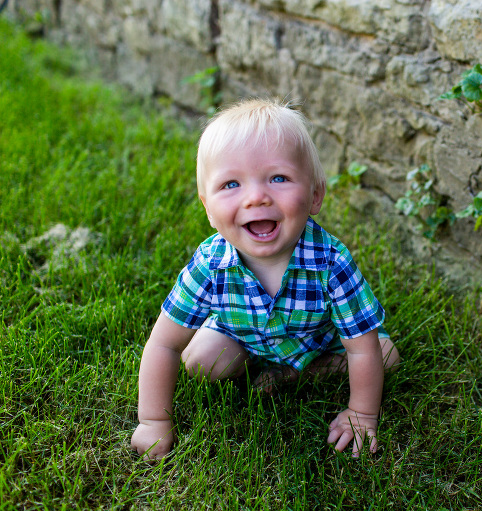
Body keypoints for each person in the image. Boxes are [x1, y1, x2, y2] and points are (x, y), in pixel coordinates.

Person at [130, 98, 399, 460]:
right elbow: (163, 344)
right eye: (230, 184)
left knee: (386, 355)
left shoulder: (330, 262)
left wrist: (362, 414)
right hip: (242, 336)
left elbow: (360, 346)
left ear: (315, 195)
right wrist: (152, 421)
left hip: (317, 342)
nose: (256, 197)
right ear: (207, 208)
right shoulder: (210, 264)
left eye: (278, 178)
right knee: (200, 363)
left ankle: (295, 374)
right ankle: (264, 365)